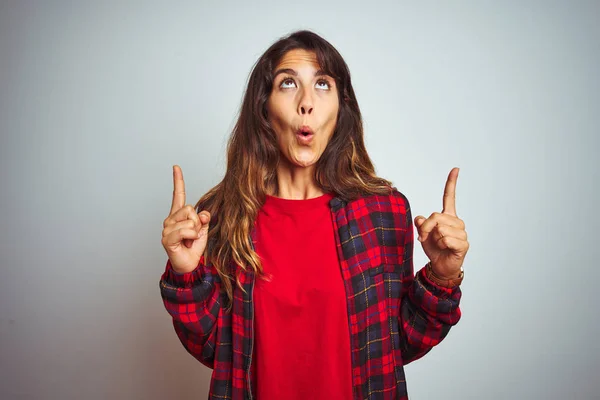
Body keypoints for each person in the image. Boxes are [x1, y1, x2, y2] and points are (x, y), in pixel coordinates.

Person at [159, 30, 469, 400]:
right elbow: (213, 349)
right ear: (264, 107)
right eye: (288, 83)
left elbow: (399, 344)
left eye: (322, 84)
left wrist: (443, 276)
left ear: (341, 108)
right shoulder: (221, 215)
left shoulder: (383, 212)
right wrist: (185, 273)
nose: (306, 102)